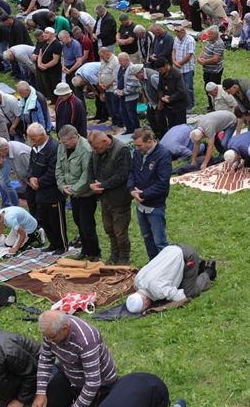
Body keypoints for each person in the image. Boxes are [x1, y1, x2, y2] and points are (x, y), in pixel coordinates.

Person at [32, 310, 119, 407]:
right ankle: (74, 400)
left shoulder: (86, 340)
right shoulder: (50, 332)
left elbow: (93, 382)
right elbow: (45, 359)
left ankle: (81, 405)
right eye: (47, 337)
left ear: (65, 328)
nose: (49, 341)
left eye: (52, 337)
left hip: (99, 385)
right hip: (71, 374)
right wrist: (41, 392)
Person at [124, 243, 215, 314]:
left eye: (144, 308)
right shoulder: (137, 281)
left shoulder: (159, 289)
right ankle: (198, 266)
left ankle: (209, 272)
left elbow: (182, 298)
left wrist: (160, 308)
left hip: (188, 255)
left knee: (189, 292)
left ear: (147, 301)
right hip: (171, 248)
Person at [88, 129, 133, 266]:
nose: (95, 150)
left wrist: (102, 185)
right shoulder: (96, 151)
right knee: (109, 228)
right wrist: (91, 183)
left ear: (105, 141)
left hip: (119, 198)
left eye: (96, 147)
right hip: (104, 197)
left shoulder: (121, 150)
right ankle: (114, 254)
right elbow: (90, 167)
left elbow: (121, 175)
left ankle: (124, 257)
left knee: (120, 231)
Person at [57, 125, 100, 261]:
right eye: (62, 142)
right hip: (72, 194)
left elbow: (87, 175)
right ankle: (84, 249)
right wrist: (62, 186)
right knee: (78, 223)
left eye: (66, 142)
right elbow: (58, 168)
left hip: (86, 195)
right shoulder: (62, 147)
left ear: (75, 137)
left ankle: (94, 252)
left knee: (87, 225)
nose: (64, 145)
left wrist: (73, 189)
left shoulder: (86, 150)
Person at [128, 127, 171, 260]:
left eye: (139, 145)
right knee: (147, 236)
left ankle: (166, 267)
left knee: (160, 242)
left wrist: (144, 194)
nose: (137, 148)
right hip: (140, 204)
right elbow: (132, 172)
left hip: (155, 205)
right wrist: (131, 190)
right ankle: (153, 263)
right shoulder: (137, 153)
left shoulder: (163, 155)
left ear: (150, 141)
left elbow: (162, 183)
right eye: (136, 145)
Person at [25, 123, 67, 253]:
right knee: (46, 221)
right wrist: (31, 177)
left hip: (53, 192)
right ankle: (53, 244)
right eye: (30, 138)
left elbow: (54, 172)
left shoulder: (54, 149)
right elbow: (31, 164)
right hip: (41, 192)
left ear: (43, 135)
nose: (31, 141)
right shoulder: (34, 148)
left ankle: (62, 245)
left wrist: (39, 182)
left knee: (56, 221)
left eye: (33, 139)